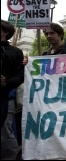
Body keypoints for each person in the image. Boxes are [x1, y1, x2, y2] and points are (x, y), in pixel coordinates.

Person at [1, 20, 24, 159]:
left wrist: (6, 82)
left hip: (5, 98)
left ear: (5, 32)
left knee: (5, 132)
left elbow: (21, 75)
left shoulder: (15, 52)